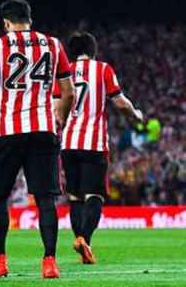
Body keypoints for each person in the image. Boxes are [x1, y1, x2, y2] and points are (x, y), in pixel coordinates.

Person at [0, 0, 75, 279]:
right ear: (30, 19)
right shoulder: (53, 45)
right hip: (43, 129)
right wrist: (59, 117)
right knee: (46, 198)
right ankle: (49, 262)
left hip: (9, 131)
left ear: (6, 22)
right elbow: (69, 92)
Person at [54, 31, 144, 265]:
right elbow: (121, 103)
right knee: (94, 195)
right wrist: (136, 116)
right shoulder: (103, 70)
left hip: (69, 143)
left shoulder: (63, 73)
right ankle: (85, 239)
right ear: (93, 51)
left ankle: (82, 242)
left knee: (75, 197)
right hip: (93, 144)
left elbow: (56, 108)